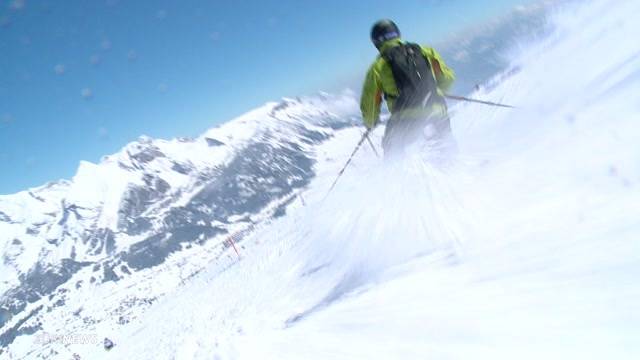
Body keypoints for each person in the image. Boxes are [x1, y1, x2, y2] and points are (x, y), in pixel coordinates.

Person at [360, 19, 456, 158]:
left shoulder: (378, 67)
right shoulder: (425, 51)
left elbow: (370, 103)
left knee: (393, 153)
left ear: (376, 42)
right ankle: (457, 166)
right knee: (446, 146)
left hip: (405, 120)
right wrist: (438, 91)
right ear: (397, 33)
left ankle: (396, 175)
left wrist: (370, 123)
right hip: (437, 111)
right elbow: (448, 78)